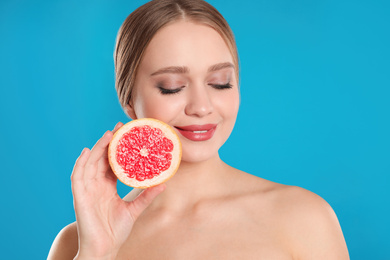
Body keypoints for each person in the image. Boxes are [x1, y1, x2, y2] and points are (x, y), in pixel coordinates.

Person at [48, 0, 349, 259]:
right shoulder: (77, 243)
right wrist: (96, 254)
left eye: (220, 83)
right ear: (128, 100)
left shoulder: (304, 218)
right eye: (172, 88)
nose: (201, 107)